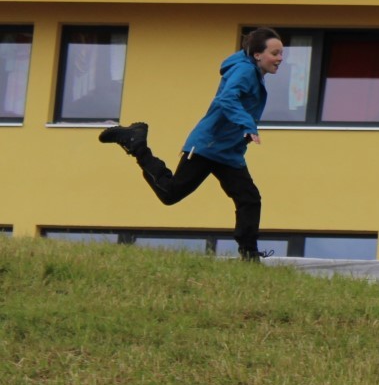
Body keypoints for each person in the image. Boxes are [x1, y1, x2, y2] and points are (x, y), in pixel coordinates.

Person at [98, 27, 285, 261]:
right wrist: (247, 125)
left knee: (249, 198)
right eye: (275, 53)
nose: (280, 58)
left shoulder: (252, 71)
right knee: (170, 193)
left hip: (228, 151)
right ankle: (136, 143)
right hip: (208, 146)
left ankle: (249, 253)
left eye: (281, 53)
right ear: (257, 54)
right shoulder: (245, 71)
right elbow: (227, 98)